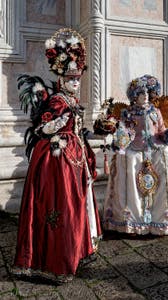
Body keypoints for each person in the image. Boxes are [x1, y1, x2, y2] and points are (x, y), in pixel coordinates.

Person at [12, 28, 101, 283]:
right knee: (61, 206)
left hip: (73, 157)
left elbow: (74, 129)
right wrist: (58, 123)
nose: (76, 82)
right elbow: (42, 128)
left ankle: (75, 251)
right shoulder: (58, 101)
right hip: (57, 161)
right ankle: (57, 260)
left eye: (78, 79)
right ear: (61, 79)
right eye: (71, 79)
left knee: (75, 205)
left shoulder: (71, 101)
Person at [103, 75, 168, 235]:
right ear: (134, 96)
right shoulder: (127, 113)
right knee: (128, 159)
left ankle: (162, 219)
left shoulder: (155, 112)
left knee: (166, 159)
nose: (145, 97)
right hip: (134, 149)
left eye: (147, 94)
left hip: (154, 147)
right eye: (141, 94)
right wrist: (120, 138)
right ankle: (131, 220)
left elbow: (160, 132)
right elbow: (122, 132)